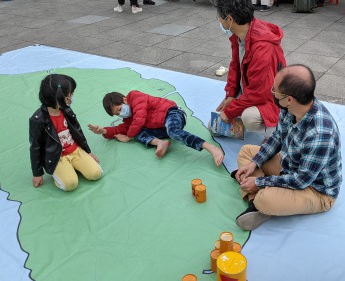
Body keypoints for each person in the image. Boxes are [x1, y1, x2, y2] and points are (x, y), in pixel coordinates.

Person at [233, 64, 342, 231]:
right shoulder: (289, 108)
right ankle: (256, 202)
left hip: (315, 190)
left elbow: (301, 180)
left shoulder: (320, 132)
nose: (272, 93)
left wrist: (259, 182)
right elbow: (277, 138)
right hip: (289, 166)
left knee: (266, 199)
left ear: (289, 98)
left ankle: (259, 201)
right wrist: (255, 163)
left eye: (274, 91)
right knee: (247, 152)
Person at [88, 91, 224, 167]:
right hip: (161, 129)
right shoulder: (128, 118)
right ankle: (160, 142)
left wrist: (128, 136)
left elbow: (139, 118)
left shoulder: (135, 97)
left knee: (168, 130)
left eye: (119, 110)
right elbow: (120, 128)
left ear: (124, 100)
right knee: (137, 132)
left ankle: (210, 148)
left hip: (172, 113)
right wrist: (104, 131)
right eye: (117, 114)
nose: (120, 114)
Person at [214, 0, 286, 140]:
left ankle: (276, 133)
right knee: (215, 127)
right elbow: (235, 66)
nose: (218, 19)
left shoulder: (262, 47)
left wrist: (230, 111)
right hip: (249, 90)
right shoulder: (239, 34)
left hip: (272, 99)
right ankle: (244, 115)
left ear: (230, 19)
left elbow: (259, 93)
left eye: (219, 16)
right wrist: (230, 94)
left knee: (250, 119)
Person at [29, 74, 102, 191]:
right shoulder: (37, 120)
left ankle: (74, 166)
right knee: (70, 184)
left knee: (96, 173)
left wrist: (88, 151)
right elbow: (35, 147)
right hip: (56, 157)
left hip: (75, 150)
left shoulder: (67, 110)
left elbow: (78, 131)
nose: (72, 97)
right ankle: (62, 171)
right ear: (60, 97)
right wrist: (37, 173)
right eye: (70, 94)